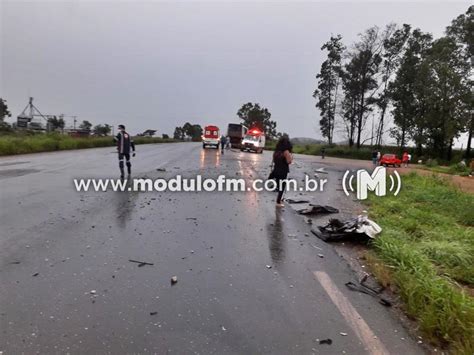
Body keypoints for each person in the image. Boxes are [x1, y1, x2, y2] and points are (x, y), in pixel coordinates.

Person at [270, 135, 293, 207]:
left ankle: (279, 200)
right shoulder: (286, 152)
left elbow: (274, 161)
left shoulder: (276, 152)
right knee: (282, 187)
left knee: (279, 185)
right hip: (283, 171)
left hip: (276, 170)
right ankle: (278, 202)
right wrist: (291, 157)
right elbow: (289, 161)